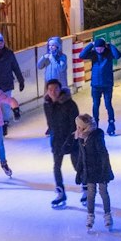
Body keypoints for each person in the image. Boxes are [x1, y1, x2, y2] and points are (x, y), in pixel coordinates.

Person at [42, 80, 82, 208]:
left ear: (60, 89)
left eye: (55, 89)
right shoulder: (47, 104)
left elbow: (75, 124)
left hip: (71, 138)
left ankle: (86, 187)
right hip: (56, 139)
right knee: (56, 166)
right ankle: (60, 191)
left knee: (77, 165)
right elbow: (50, 122)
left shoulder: (70, 104)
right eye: (50, 89)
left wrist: (72, 139)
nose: (53, 92)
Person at [76, 114, 115, 231]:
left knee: (103, 192)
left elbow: (104, 154)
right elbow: (81, 156)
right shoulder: (81, 137)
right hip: (89, 171)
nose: (77, 129)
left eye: (78, 126)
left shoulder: (96, 136)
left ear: (85, 127)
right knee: (90, 193)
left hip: (100, 170)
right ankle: (90, 215)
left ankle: (107, 215)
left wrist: (105, 170)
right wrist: (79, 172)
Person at [78, 36, 119, 134]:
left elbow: (117, 55)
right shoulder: (93, 54)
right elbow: (81, 55)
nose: (99, 50)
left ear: (104, 47)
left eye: (101, 48)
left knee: (108, 104)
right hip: (95, 85)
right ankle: (95, 124)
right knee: (96, 105)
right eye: (97, 48)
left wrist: (110, 45)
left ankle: (111, 123)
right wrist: (91, 44)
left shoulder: (109, 53)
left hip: (107, 84)